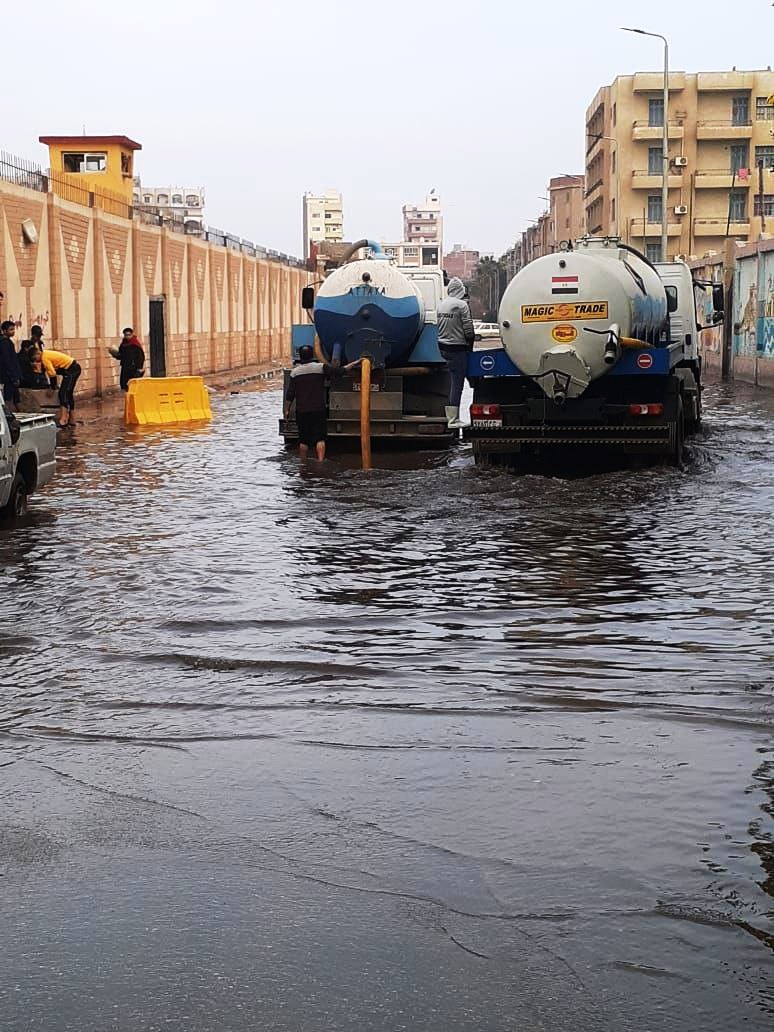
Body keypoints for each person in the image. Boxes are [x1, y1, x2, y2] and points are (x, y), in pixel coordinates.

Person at [284, 344, 359, 460]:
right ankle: (320, 462)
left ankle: (303, 463)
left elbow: (290, 394)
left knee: (303, 440)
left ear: (301, 357)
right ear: (312, 355)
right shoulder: (320, 368)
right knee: (320, 438)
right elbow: (339, 372)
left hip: (302, 411)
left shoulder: (295, 372)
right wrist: (354, 363)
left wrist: (287, 410)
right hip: (318, 409)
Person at [437, 276, 475, 428]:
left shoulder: (442, 304)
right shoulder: (461, 305)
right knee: (457, 384)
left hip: (442, 348)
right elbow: (468, 330)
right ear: (461, 290)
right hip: (457, 349)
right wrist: (470, 345)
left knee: (453, 380)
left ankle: (451, 416)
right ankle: (453, 420)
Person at [41, 348, 81, 429]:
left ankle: (63, 419)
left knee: (63, 393)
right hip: (73, 368)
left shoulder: (44, 358)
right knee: (68, 393)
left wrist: (52, 388)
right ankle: (72, 419)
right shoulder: (45, 354)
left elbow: (52, 374)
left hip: (71, 370)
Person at [0, 320, 21, 410]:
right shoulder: (4, 343)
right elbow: (7, 361)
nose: (13, 331)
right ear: (4, 331)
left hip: (11, 375)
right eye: (11, 329)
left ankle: (19, 413)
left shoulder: (7, 342)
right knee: (8, 397)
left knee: (16, 397)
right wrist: (13, 377)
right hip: (8, 376)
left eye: (13, 329)